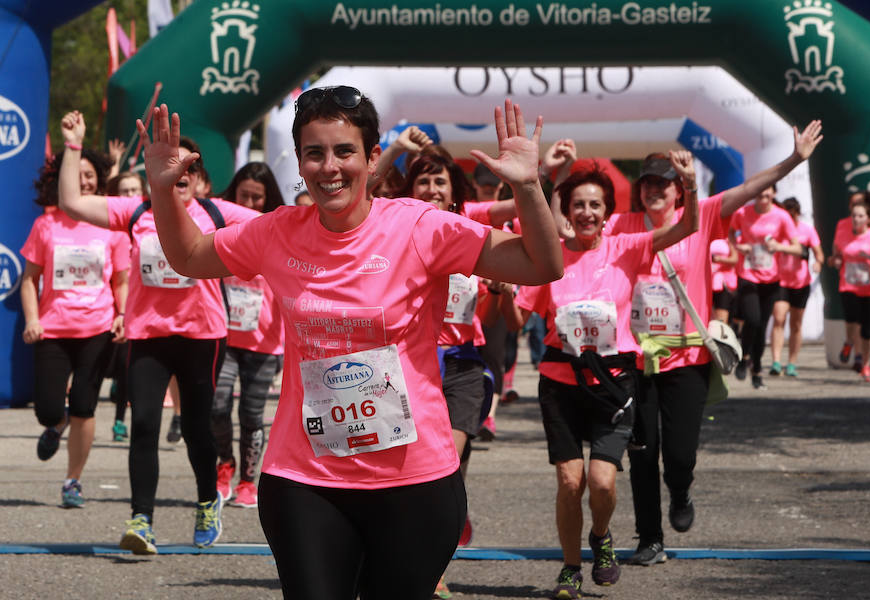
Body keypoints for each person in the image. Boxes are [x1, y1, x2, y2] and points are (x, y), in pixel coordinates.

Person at [138, 91, 563, 599]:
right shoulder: (277, 232)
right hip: (305, 477)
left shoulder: (418, 226)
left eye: (344, 151)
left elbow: (542, 266)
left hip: (414, 479)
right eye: (314, 153)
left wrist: (528, 187)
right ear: (299, 161)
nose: (329, 167)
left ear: (371, 156)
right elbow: (188, 255)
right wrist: (163, 190)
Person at [602, 120, 822, 565]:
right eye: (647, 184)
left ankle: (681, 488)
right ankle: (650, 538)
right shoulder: (619, 224)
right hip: (635, 358)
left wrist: (795, 159)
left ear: (679, 189)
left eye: (664, 184)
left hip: (686, 356)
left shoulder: (699, 218)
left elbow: (750, 187)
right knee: (642, 453)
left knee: (679, 453)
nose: (654, 191)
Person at [57, 111, 259, 554]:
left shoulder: (215, 212)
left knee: (196, 429)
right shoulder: (136, 212)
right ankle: (141, 520)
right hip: (148, 334)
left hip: (202, 335)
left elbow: (277, 223)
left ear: (202, 183)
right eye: (171, 170)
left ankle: (208, 499)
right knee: (145, 423)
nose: (179, 177)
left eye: (189, 171)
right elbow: (72, 202)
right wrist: (74, 145)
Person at [509, 154, 699, 598]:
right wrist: (501, 292)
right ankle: (571, 568)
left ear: (607, 212)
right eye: (578, 205)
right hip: (560, 382)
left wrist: (689, 186)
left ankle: (602, 535)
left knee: (602, 482)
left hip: (614, 382)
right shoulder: (550, 258)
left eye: (595, 205)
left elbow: (688, 227)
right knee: (570, 480)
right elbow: (518, 320)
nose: (587, 213)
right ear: (566, 210)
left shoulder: (626, 247)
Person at [399, 150, 504, 597]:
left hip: (462, 364)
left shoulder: (471, 224)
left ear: (453, 188)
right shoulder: (397, 226)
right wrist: (400, 143)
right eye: (423, 181)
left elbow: (523, 204)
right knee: (414, 471)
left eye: (439, 181)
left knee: (446, 468)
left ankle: (433, 567)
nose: (432, 190)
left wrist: (547, 174)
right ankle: (413, 552)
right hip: (411, 362)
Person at [21, 145, 129, 508]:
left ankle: (73, 481)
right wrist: (33, 319)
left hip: (97, 329)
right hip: (52, 329)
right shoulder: (46, 224)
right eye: (76, 173)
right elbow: (28, 280)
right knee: (49, 410)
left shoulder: (111, 224)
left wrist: (122, 314)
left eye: (89, 174)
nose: (83, 180)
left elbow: (122, 281)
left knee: (85, 405)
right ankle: (56, 424)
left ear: (100, 179)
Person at [213, 162, 285, 509]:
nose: (251, 205)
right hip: (224, 338)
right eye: (245, 197)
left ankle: (247, 481)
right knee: (217, 405)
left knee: (252, 416)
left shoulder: (280, 226)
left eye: (258, 198)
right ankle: (224, 465)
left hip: (265, 341)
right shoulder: (221, 221)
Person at [730, 184, 803, 390]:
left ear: (774, 194)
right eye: (759, 195)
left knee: (762, 326)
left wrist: (779, 247)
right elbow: (731, 231)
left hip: (771, 279)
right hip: (748, 274)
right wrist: (737, 246)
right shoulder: (743, 213)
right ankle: (743, 357)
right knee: (751, 318)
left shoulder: (781, 217)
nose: (763, 198)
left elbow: (797, 247)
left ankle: (757, 368)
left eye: (767, 195)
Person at [104, 171, 148, 442]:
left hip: (139, 308)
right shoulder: (109, 229)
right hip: (108, 308)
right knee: (116, 367)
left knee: (126, 368)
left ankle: (121, 420)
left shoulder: (150, 223)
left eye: (134, 190)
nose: (130, 196)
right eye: (124, 191)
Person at [827, 202, 870, 382]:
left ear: (868, 219)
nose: (856, 219)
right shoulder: (842, 234)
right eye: (854, 216)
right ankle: (849, 343)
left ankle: (866, 364)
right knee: (852, 321)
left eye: (860, 216)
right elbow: (834, 258)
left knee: (867, 331)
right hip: (849, 286)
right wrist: (835, 262)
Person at [769, 197, 824, 377]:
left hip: (801, 283)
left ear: (798, 214)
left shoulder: (807, 230)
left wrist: (818, 264)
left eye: (792, 216)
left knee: (796, 324)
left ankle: (791, 363)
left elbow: (819, 254)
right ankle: (776, 362)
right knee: (778, 318)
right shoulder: (778, 231)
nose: (788, 219)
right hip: (781, 282)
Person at [710, 238, 738, 323]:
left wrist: (719, 259)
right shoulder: (706, 235)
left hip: (723, 282)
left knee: (721, 320)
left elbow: (735, 259)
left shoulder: (728, 239)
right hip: (707, 281)